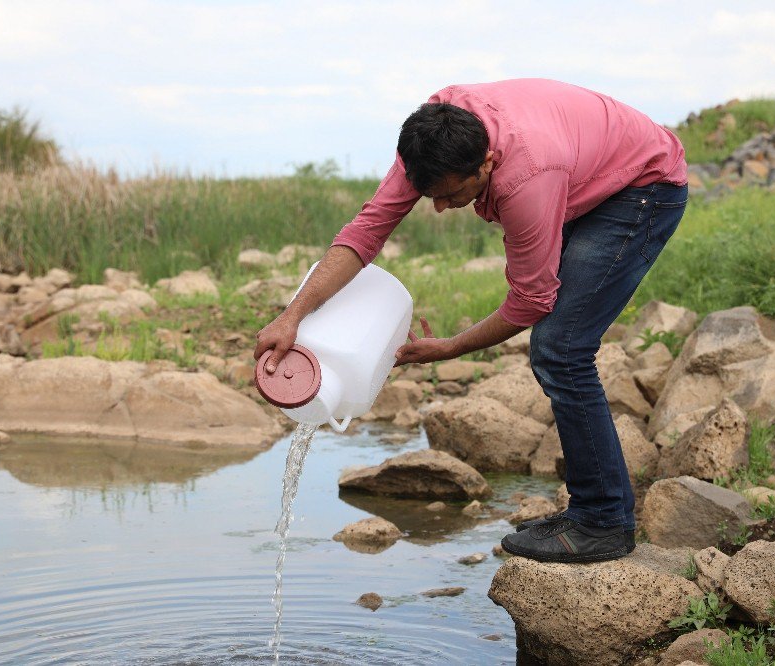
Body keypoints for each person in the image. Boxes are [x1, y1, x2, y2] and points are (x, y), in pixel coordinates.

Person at [253, 78, 688, 563]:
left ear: (487, 164)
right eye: (428, 197)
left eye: (449, 195)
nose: (438, 209)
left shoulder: (527, 180)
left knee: (560, 348)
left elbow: (532, 300)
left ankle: (603, 521)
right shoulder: (431, 138)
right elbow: (367, 230)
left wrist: (450, 347)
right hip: (584, 164)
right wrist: (292, 317)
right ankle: (588, 509)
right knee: (558, 347)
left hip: (641, 186)